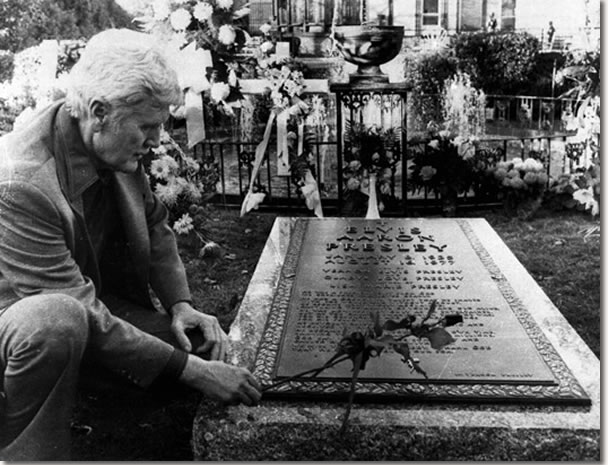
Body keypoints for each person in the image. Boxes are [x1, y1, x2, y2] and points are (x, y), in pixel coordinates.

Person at [0, 29, 262, 460]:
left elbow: (156, 223)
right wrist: (195, 374)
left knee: (199, 346)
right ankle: (24, 450)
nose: (158, 140)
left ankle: (90, 373)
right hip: (23, 325)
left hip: (93, 306)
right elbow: (76, 306)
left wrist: (180, 304)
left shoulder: (107, 142)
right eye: (147, 126)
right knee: (57, 321)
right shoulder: (21, 183)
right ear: (100, 111)